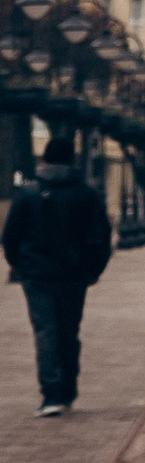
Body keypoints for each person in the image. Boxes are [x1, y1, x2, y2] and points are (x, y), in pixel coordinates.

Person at [4, 131, 116, 417]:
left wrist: (21, 266)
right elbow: (101, 237)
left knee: (46, 331)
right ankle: (68, 390)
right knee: (69, 331)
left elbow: (10, 236)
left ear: (45, 158)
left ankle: (51, 395)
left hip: (37, 276)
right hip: (74, 275)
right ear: (71, 159)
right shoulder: (87, 193)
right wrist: (93, 271)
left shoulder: (28, 193)